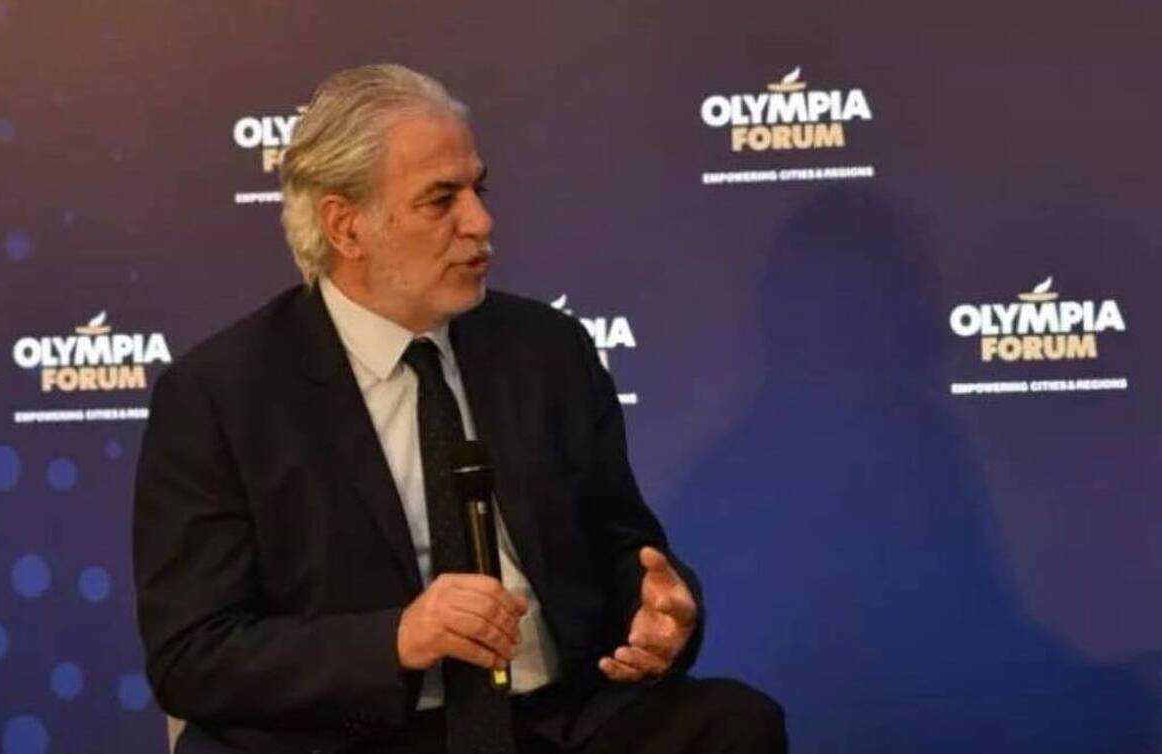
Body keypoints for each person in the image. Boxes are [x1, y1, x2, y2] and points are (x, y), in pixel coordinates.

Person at [133, 63, 786, 754]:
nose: (480, 222)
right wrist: (396, 637)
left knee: (732, 723)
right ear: (345, 227)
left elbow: (621, 545)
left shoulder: (548, 350)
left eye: (479, 190)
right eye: (440, 200)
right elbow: (191, 655)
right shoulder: (222, 395)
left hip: (555, 719)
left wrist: (655, 611)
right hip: (359, 734)